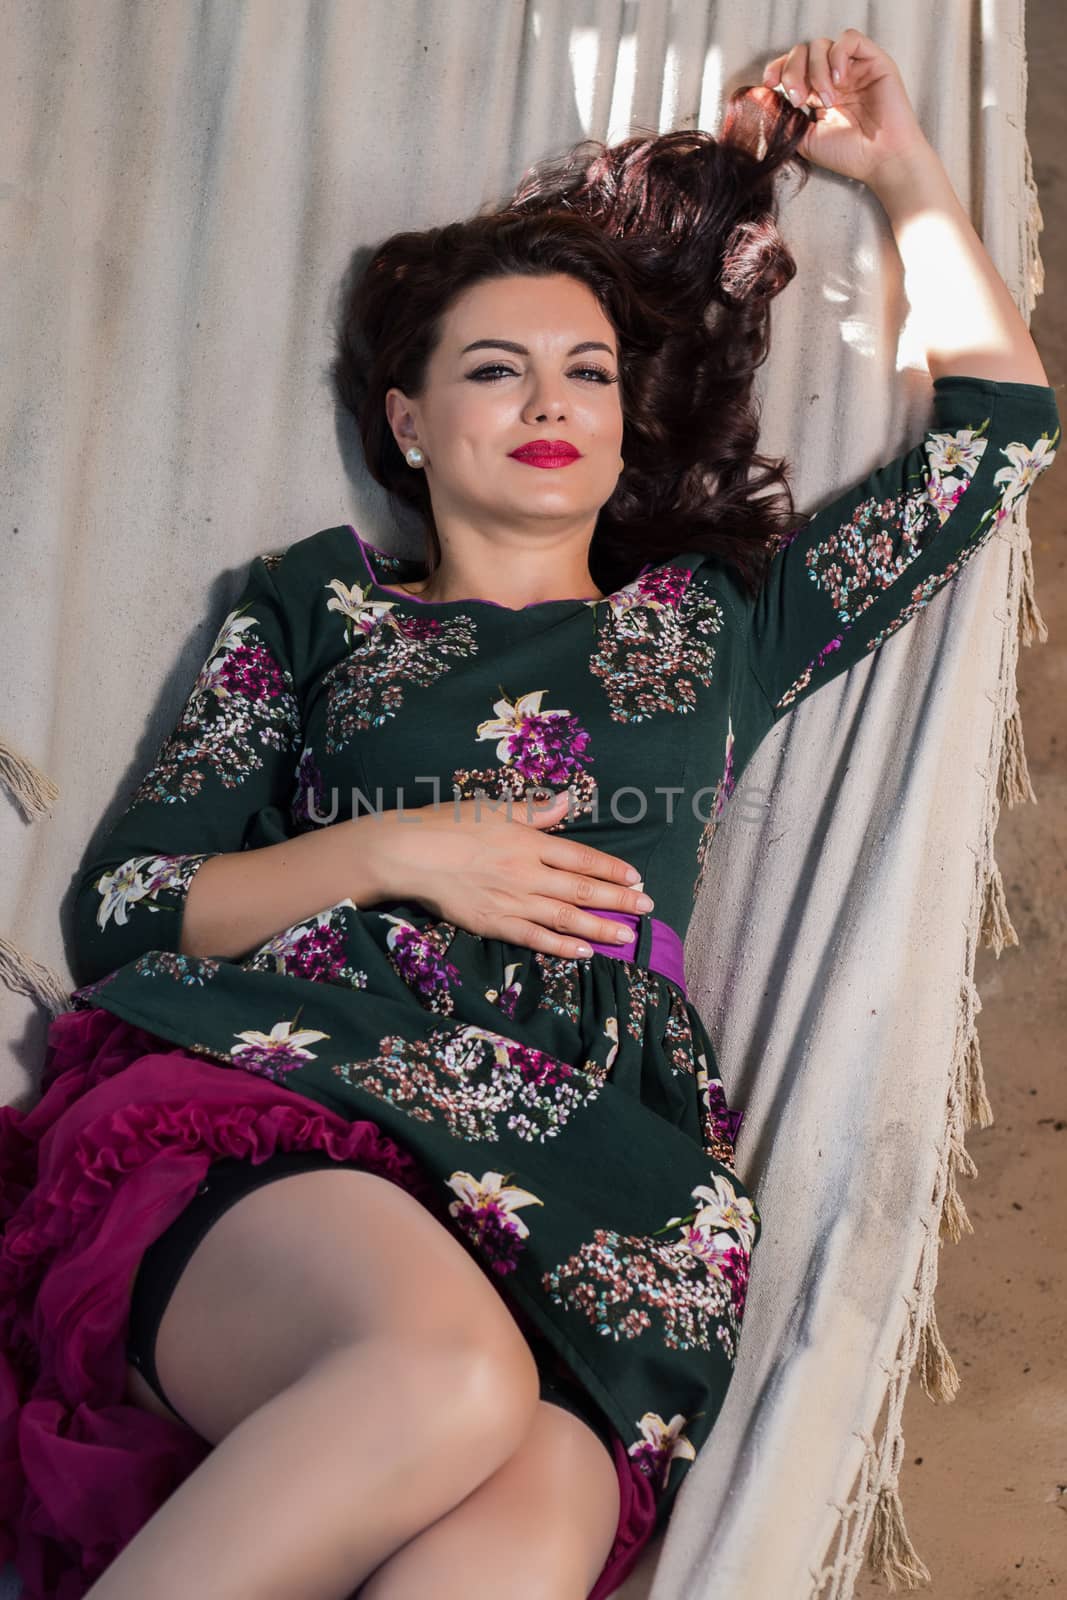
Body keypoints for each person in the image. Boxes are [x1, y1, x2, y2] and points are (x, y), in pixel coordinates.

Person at [0, 27, 1059, 1600]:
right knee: (445, 1382)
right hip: (299, 1103)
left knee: (543, 1495)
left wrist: (903, 167)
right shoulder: (317, 608)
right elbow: (130, 908)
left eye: (588, 373)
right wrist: (390, 852)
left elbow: (996, 439)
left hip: (595, 1188)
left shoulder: (714, 623)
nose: (549, 402)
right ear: (409, 422)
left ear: (630, 421)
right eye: (493, 369)